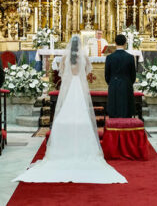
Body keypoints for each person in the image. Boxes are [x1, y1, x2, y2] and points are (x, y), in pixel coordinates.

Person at [13, 35, 126, 184]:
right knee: (82, 115)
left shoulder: (66, 56)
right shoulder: (83, 56)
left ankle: (61, 151)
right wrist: (79, 75)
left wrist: (70, 75)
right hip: (78, 86)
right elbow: (88, 70)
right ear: (79, 45)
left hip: (70, 86)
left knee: (66, 112)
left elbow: (60, 71)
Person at [105, 34, 136, 118]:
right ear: (125, 43)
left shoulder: (109, 57)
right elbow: (133, 75)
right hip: (126, 84)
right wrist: (129, 82)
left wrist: (111, 82)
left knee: (114, 108)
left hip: (113, 83)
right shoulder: (130, 57)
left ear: (115, 43)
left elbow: (107, 75)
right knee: (126, 110)